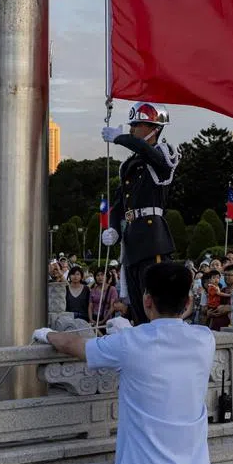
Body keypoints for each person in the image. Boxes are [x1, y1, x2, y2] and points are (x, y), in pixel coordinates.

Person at [34, 261, 215, 464]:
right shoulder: (204, 339)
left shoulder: (131, 343)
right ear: (189, 302)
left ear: (147, 300)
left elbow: (74, 344)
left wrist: (46, 334)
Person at [100, 103, 181, 326]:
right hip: (132, 239)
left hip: (151, 237)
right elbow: (119, 202)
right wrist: (114, 228)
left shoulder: (165, 153)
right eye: (132, 125)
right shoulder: (129, 164)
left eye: (138, 124)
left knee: (154, 301)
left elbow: (150, 154)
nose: (133, 128)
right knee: (137, 305)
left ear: (154, 128)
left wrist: (121, 138)